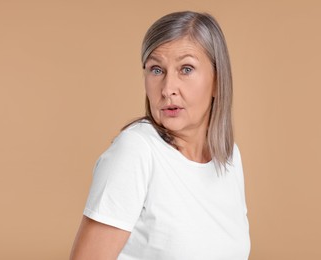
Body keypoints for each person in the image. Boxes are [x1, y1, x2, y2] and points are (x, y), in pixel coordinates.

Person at [70, 11, 250, 260]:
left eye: (186, 69)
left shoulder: (228, 157)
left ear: (217, 80)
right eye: (156, 70)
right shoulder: (137, 151)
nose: (167, 89)